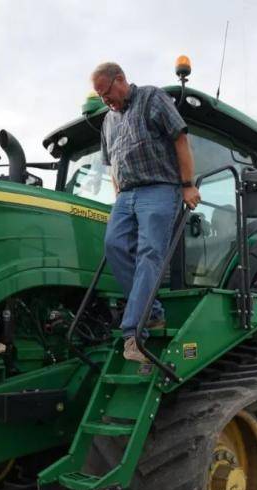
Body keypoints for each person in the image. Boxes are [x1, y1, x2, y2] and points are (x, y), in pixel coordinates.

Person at [91, 62, 201, 363]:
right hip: (126, 195)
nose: (105, 101)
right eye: (100, 97)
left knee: (150, 253)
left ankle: (134, 333)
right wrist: (119, 195)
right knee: (114, 246)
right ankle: (152, 313)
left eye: (106, 93)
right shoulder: (108, 122)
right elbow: (113, 162)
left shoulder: (152, 98)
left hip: (159, 188)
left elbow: (180, 139)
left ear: (121, 80)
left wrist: (187, 185)